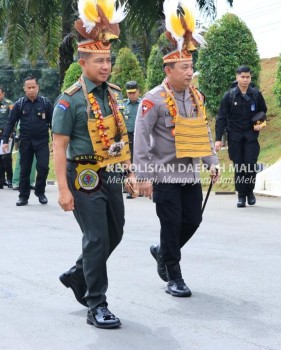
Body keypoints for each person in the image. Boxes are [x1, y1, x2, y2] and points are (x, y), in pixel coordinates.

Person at [52, 0, 134, 329]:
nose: (106, 66)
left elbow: (119, 137)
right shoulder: (69, 99)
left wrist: (127, 170)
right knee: (97, 237)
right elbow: (58, 146)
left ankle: (76, 273)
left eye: (108, 60)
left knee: (116, 232)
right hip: (83, 174)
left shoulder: (111, 95)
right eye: (99, 61)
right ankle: (96, 304)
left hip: (110, 170)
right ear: (83, 62)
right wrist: (62, 189)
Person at [133, 0, 220, 298]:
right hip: (164, 175)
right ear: (168, 70)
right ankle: (174, 275)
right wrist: (143, 175)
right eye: (184, 67)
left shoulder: (196, 97)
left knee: (192, 221)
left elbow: (203, 131)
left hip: (190, 173)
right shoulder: (154, 98)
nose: (189, 72)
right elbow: (141, 137)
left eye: (191, 67)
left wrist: (212, 160)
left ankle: (162, 251)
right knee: (171, 224)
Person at [215, 66, 267, 208]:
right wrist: (218, 139)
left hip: (251, 137)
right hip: (235, 137)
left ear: (250, 78)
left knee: (250, 165)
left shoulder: (255, 94)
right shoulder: (230, 96)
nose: (245, 80)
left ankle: (249, 192)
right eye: (242, 77)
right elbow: (221, 117)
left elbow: (263, 111)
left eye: (247, 77)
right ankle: (241, 196)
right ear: (237, 77)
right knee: (239, 166)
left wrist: (260, 123)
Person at [2, 77, 53, 206]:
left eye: (33, 87)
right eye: (28, 87)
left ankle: (40, 192)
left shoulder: (45, 103)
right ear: (24, 89)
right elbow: (10, 122)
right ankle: (23, 196)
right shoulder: (19, 104)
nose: (31, 90)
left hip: (41, 142)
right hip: (26, 142)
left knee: (43, 167)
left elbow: (54, 123)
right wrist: (5, 140)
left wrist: (56, 140)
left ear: (38, 87)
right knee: (24, 169)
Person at [123, 81, 141, 199]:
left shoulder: (143, 103)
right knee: (126, 160)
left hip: (140, 135)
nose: (132, 95)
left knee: (138, 159)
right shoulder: (123, 105)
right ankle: (128, 185)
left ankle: (138, 185)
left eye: (134, 93)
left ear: (138, 91)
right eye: (129, 93)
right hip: (127, 136)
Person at [0, 87, 14, 189]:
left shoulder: (9, 104)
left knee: (6, 157)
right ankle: (1, 180)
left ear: (3, 94)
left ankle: (10, 179)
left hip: (6, 135)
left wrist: (10, 133)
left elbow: (13, 120)